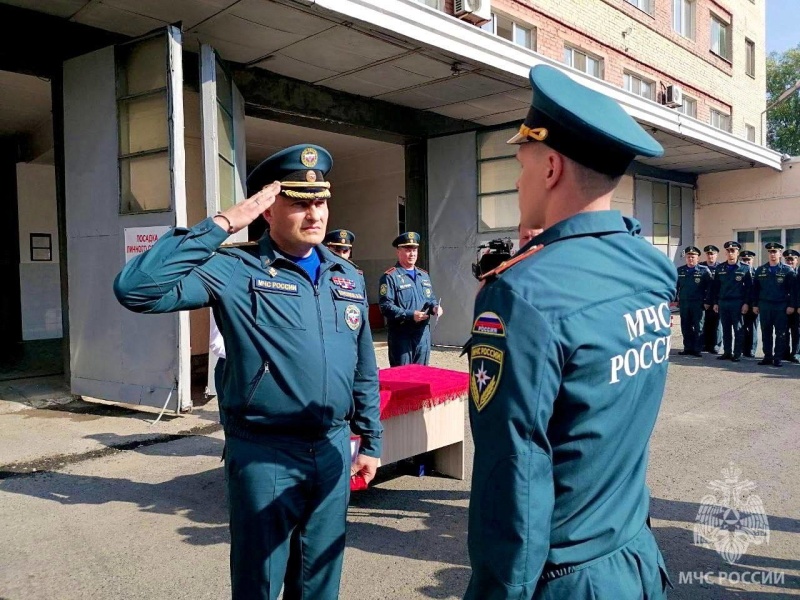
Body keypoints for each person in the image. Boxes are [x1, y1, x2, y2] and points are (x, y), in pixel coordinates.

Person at [113, 143, 382, 600]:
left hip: (333, 448)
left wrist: (371, 440)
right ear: (268, 209)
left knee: (320, 580)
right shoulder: (235, 269)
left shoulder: (346, 276)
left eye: (319, 202)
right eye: (298, 203)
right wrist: (221, 224)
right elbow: (136, 289)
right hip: (266, 452)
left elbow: (362, 366)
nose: (314, 214)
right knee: (260, 582)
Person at [465, 64, 674, 600]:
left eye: (520, 165)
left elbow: (513, 472)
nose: (517, 181)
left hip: (566, 576)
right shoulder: (651, 268)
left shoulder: (519, 295)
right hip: (634, 551)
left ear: (551, 167)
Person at [379, 232, 443, 366]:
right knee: (403, 377)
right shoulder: (390, 276)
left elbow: (430, 299)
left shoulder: (423, 275)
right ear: (398, 251)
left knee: (422, 376)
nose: (412, 254)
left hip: (422, 334)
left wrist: (435, 307)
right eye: (408, 250)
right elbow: (385, 306)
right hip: (401, 335)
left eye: (414, 250)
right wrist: (410, 315)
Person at [753, 243, 795, 367]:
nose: (772, 254)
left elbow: (793, 290)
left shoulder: (787, 270)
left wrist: (791, 305)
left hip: (780, 306)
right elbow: (755, 289)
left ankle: (778, 357)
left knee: (781, 333)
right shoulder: (761, 270)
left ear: (780, 253)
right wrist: (755, 304)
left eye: (775, 251)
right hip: (765, 305)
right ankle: (768, 356)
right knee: (766, 332)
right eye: (770, 252)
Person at [710, 241, 752, 362]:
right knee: (725, 329)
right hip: (723, 302)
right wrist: (716, 302)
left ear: (737, 252)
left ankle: (737, 353)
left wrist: (746, 303)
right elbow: (716, 287)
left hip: (737, 303)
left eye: (733, 251)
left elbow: (749, 288)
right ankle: (727, 352)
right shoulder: (720, 268)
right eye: (728, 251)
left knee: (738, 329)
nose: (730, 253)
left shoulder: (744, 268)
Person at [676, 246, 712, 357]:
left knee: (698, 326)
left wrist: (707, 301)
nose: (690, 259)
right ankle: (687, 347)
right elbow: (676, 286)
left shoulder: (704, 270)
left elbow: (710, 287)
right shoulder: (680, 270)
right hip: (685, 303)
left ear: (698, 258)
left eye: (693, 257)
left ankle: (697, 349)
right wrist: (675, 299)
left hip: (698, 303)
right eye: (688, 256)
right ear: (685, 258)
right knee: (685, 326)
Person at [701, 244, 722, 354]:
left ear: (716, 255)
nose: (710, 256)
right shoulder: (701, 267)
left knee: (716, 324)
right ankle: (705, 344)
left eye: (712, 254)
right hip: (703, 300)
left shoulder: (721, 267)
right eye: (708, 254)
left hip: (715, 300)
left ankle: (715, 345)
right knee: (704, 322)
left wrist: (716, 301)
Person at [739, 250, 759, 358]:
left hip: (754, 304)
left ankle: (751, 349)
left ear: (752, 260)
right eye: (744, 260)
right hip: (742, 304)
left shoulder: (758, 272)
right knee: (741, 327)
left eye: (748, 259)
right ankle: (743, 348)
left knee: (753, 328)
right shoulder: (740, 272)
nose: (746, 262)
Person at [782, 249, 800, 363]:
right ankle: (785, 352)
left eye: (792, 259)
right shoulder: (782, 272)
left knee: (797, 331)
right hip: (783, 307)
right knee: (783, 330)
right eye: (787, 259)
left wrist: (796, 305)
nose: (789, 261)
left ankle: (796, 353)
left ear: (797, 260)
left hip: (797, 308)